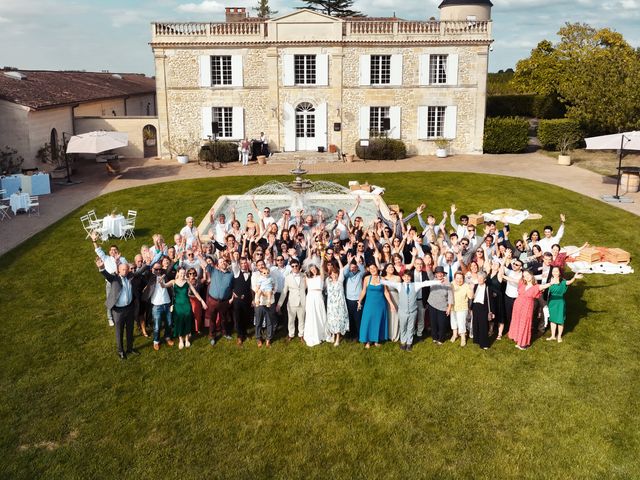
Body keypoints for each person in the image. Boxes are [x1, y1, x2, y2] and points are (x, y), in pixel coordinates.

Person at [95, 257, 148, 360]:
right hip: (118, 311)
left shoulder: (130, 276)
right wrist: (101, 267)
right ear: (119, 270)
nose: (125, 271)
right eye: (123, 269)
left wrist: (147, 263)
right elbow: (105, 274)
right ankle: (120, 351)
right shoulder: (114, 278)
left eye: (126, 269)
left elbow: (139, 271)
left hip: (129, 308)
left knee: (130, 330)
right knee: (119, 331)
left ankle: (130, 348)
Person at [382, 270, 442, 351]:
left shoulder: (415, 285)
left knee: (411, 327)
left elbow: (426, 283)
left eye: (408, 276)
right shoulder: (399, 285)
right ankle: (403, 342)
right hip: (402, 311)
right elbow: (389, 283)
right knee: (403, 327)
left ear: (411, 277)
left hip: (413, 311)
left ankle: (409, 343)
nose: (407, 278)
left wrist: (438, 282)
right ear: (402, 277)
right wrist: (379, 280)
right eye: (405, 276)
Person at [160, 267, 207, 349]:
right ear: (177, 273)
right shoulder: (173, 282)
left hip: (186, 305)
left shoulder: (187, 282)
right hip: (178, 305)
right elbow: (164, 286)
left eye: (184, 273)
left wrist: (202, 301)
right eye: (181, 273)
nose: (182, 275)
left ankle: (187, 339)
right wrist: (161, 282)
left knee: (187, 321)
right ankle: (181, 340)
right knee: (179, 322)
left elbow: (195, 292)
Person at [507, 269, 552, 350]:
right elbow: (512, 279)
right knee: (517, 321)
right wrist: (502, 275)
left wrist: (552, 282)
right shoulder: (521, 284)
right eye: (524, 276)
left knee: (525, 323)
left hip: (527, 306)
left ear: (531, 275)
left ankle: (523, 343)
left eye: (527, 275)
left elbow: (544, 286)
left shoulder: (536, 286)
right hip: (517, 305)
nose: (526, 277)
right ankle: (518, 340)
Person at [92, 231, 128, 326]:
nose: (113, 251)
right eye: (111, 250)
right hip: (109, 282)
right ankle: (110, 318)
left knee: (120, 298)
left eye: (115, 250)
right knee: (110, 299)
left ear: (118, 251)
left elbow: (126, 268)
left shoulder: (123, 259)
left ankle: (119, 314)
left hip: (120, 281)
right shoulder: (106, 258)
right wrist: (94, 241)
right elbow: (98, 250)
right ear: (109, 252)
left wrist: (119, 261)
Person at [358, 263, 396, 349]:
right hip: (369, 304)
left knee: (377, 321)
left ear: (377, 268)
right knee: (368, 321)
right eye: (370, 269)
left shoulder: (382, 279)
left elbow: (385, 292)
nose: (372, 270)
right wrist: (359, 301)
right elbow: (363, 291)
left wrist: (391, 303)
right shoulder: (367, 279)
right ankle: (367, 341)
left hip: (380, 304)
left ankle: (376, 340)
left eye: (374, 268)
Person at [546, 267, 583, 343]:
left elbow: (568, 282)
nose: (555, 272)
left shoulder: (562, 281)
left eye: (556, 271)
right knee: (552, 320)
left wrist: (574, 278)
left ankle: (559, 336)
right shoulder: (549, 280)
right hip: (552, 301)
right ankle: (553, 336)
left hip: (559, 302)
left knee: (560, 320)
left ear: (559, 272)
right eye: (553, 271)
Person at [204, 257, 234, 345]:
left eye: (224, 261)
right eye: (221, 262)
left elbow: (233, 287)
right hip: (213, 300)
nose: (223, 263)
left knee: (224, 319)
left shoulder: (231, 274)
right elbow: (206, 264)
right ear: (218, 265)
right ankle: (212, 336)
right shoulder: (214, 271)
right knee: (212, 319)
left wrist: (231, 298)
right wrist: (199, 255)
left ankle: (225, 333)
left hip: (224, 301)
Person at [277, 259, 306, 342]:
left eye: (296, 266)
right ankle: (291, 334)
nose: (295, 267)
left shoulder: (304, 276)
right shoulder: (288, 278)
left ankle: (301, 335)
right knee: (291, 320)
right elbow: (284, 292)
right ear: (291, 267)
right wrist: (279, 304)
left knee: (301, 319)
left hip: (303, 301)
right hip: (292, 302)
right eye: (293, 266)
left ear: (299, 265)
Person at [325, 256, 349, 346]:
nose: (334, 275)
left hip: (339, 304)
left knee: (338, 320)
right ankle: (333, 335)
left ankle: (337, 338)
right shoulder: (328, 281)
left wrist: (338, 260)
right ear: (330, 274)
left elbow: (342, 269)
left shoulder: (340, 281)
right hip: (331, 305)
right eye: (332, 273)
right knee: (332, 320)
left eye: (336, 273)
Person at [427, 266, 453, 344]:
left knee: (442, 323)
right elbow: (428, 271)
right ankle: (434, 337)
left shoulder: (448, 282)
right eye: (438, 273)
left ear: (443, 274)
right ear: (435, 274)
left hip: (443, 306)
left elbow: (450, 295)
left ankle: (441, 339)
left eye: (441, 273)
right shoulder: (432, 280)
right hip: (432, 304)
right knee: (433, 322)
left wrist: (449, 307)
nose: (440, 274)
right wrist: (428, 264)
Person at [303, 261, 327, 347]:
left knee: (319, 314)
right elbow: (304, 287)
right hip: (310, 297)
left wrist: (322, 255)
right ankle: (312, 334)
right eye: (311, 269)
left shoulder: (321, 276)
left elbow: (321, 266)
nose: (313, 270)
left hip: (318, 296)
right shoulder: (307, 278)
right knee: (311, 315)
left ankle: (321, 333)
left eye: (314, 268)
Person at [343, 256, 365, 339]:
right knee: (350, 318)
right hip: (349, 299)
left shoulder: (360, 274)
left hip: (357, 300)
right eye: (352, 267)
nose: (353, 268)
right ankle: (351, 335)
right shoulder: (348, 274)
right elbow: (344, 272)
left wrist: (358, 262)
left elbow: (362, 269)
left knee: (358, 318)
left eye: (355, 267)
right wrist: (348, 263)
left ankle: (359, 335)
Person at [451, 271, 473, 347]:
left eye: (461, 278)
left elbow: (470, 297)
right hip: (453, 307)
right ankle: (454, 335)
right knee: (454, 321)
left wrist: (471, 289)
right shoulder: (452, 284)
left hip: (462, 308)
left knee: (461, 323)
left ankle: (463, 338)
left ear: (463, 279)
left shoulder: (466, 285)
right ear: (454, 278)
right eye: (457, 278)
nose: (459, 280)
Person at [471, 271, 493, 350]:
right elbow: (472, 297)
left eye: (481, 278)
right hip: (475, 306)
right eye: (478, 278)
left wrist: (492, 312)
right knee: (475, 323)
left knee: (483, 325)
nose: (479, 279)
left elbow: (491, 301)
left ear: (485, 279)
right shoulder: (475, 286)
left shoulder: (488, 288)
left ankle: (484, 344)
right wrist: (471, 308)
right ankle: (477, 340)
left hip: (484, 307)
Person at [383, 263, 401, 341]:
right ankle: (388, 335)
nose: (391, 268)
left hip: (395, 297)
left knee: (395, 315)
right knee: (388, 316)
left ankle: (395, 335)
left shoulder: (397, 278)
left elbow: (399, 289)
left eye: (392, 267)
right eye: (389, 267)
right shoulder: (383, 278)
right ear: (386, 269)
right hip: (385, 298)